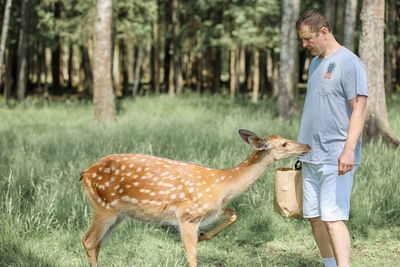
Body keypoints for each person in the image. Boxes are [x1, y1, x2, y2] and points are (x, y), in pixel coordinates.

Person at [296, 10, 368, 267]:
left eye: (307, 39)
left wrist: (349, 150)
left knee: (333, 217)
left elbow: (359, 108)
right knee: (314, 216)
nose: (304, 45)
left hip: (335, 157)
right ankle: (329, 265)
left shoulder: (350, 63)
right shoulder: (316, 62)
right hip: (310, 154)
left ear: (324, 32)